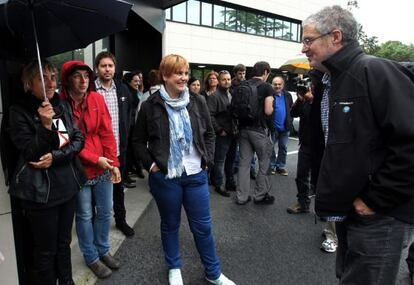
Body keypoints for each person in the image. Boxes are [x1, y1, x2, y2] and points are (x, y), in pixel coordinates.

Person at [303, 6, 414, 284]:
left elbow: (409, 144)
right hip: (349, 210)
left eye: (308, 40)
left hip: (380, 215)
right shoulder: (329, 81)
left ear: (336, 37)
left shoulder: (374, 71)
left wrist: (374, 200)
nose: (303, 48)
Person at [132, 54, 235, 285]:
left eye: (186, 73)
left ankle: (213, 272)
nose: (184, 77)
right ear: (165, 75)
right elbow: (137, 141)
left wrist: (206, 160)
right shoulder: (150, 105)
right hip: (166, 177)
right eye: (179, 73)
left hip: (196, 175)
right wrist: (151, 165)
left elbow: (209, 132)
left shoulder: (197, 101)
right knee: (170, 225)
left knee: (203, 227)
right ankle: (174, 267)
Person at [8, 59, 87, 285]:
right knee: (46, 251)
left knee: (64, 244)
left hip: (67, 187)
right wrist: (44, 126)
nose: (51, 83)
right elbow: (32, 153)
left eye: (52, 77)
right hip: (41, 195)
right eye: (43, 78)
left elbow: (77, 139)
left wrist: (56, 157)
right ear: (28, 83)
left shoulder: (59, 105)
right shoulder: (19, 111)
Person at [60, 60, 121, 279]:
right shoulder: (60, 105)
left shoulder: (97, 98)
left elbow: (107, 132)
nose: (83, 80)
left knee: (105, 211)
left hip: (103, 166)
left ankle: (103, 250)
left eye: (86, 76)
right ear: (67, 80)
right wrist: (97, 159)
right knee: (84, 215)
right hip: (79, 169)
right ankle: (91, 256)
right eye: (77, 76)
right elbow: (65, 142)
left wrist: (113, 163)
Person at [94, 51, 135, 237]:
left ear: (115, 68)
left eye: (110, 65)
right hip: (96, 154)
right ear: (97, 69)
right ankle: (97, 222)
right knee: (96, 191)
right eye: (103, 66)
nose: (107, 69)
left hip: (118, 150)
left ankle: (121, 220)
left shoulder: (122, 89)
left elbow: (128, 116)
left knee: (118, 187)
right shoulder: (91, 91)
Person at [235, 61, 274, 205]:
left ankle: (241, 197)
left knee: (244, 164)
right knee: (264, 163)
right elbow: (268, 111)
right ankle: (259, 195)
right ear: (265, 72)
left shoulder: (242, 85)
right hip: (259, 130)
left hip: (243, 129)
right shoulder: (266, 87)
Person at [207, 70, 237, 197]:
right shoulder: (214, 96)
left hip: (233, 133)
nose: (227, 81)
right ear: (219, 81)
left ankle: (230, 182)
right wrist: (219, 130)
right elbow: (209, 115)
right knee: (219, 161)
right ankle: (219, 184)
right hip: (222, 134)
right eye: (224, 79)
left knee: (231, 159)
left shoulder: (231, 94)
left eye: (229, 79)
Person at [122, 71, 145, 184]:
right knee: (127, 152)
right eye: (135, 81)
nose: (138, 83)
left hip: (132, 125)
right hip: (129, 126)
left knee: (130, 152)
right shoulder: (128, 93)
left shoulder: (133, 91)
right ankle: (124, 177)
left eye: (139, 81)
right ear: (129, 81)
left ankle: (126, 175)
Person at [269, 76, 293, 176]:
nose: (277, 86)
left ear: (282, 85)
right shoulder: (269, 95)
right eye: (275, 84)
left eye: (279, 84)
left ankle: (281, 166)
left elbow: (290, 107)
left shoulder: (287, 95)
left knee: (283, 147)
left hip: (285, 127)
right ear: (272, 85)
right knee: (270, 147)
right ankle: (271, 165)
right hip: (273, 127)